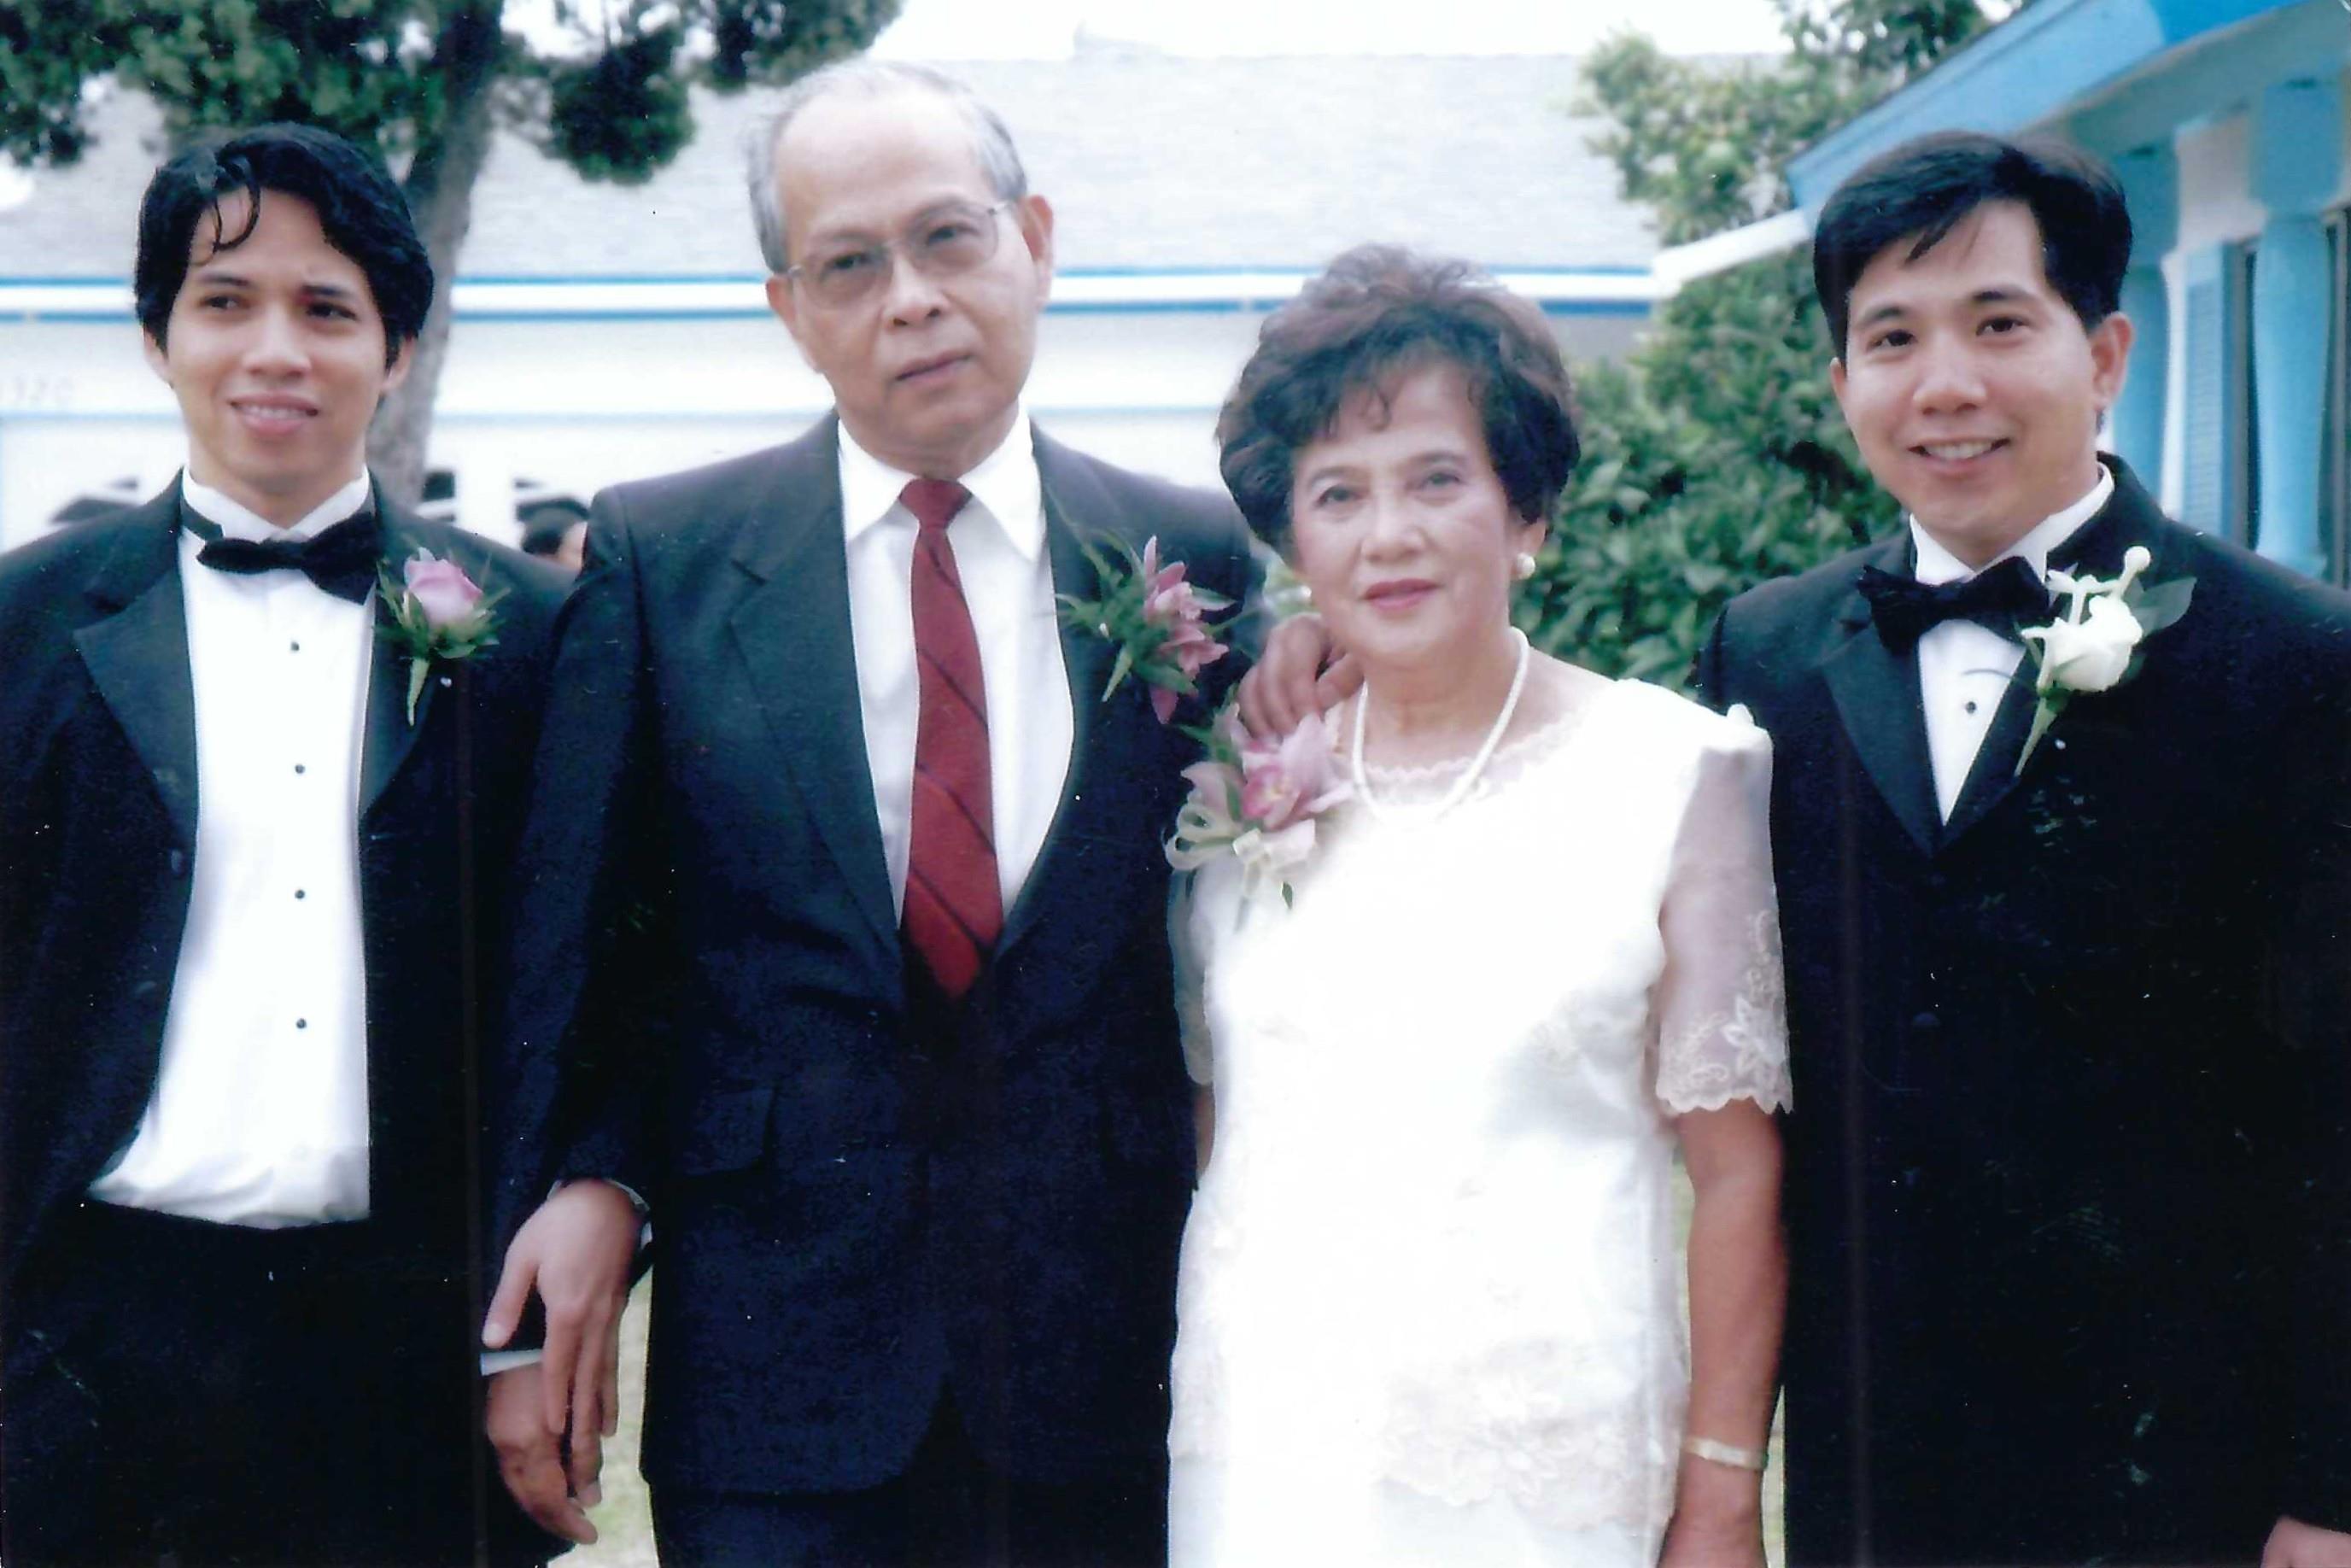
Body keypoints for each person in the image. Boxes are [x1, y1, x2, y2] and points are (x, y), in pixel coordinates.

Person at [482, 60, 1259, 1567]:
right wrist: (575, 1213)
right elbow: (583, 957)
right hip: (778, 1377)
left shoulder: (1196, 557)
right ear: (791, 310)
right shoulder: (665, 557)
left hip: (1100, 1364)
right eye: (849, 265)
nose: (912, 301)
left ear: (1035, 239)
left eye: (948, 238)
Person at [1692, 133, 2351, 1565]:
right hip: (1878, 1471)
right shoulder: (1766, 654)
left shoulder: (2297, 661)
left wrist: (2332, 1492)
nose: (1943, 384)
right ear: (1841, 382)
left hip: (2185, 1474)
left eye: (1998, 324)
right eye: (1891, 338)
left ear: (2103, 354)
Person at [0, 124, 565, 1566]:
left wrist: (521, 1341)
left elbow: (581, 999)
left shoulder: (537, 640)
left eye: (326, 308)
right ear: (156, 336)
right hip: (84, 1338)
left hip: (407, 1350)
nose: (275, 351)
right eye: (224, 301)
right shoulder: (25, 625)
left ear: (396, 347)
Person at [1174, 245, 1788, 1567]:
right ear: (1294, 544)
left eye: (1436, 479)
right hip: (1266, 1461)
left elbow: (1738, 1176)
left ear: (1526, 516)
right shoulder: (1244, 791)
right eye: (1337, 493)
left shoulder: (1673, 775)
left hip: (1544, 1484)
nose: (1386, 534)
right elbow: (1222, 1124)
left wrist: (1720, 1493)